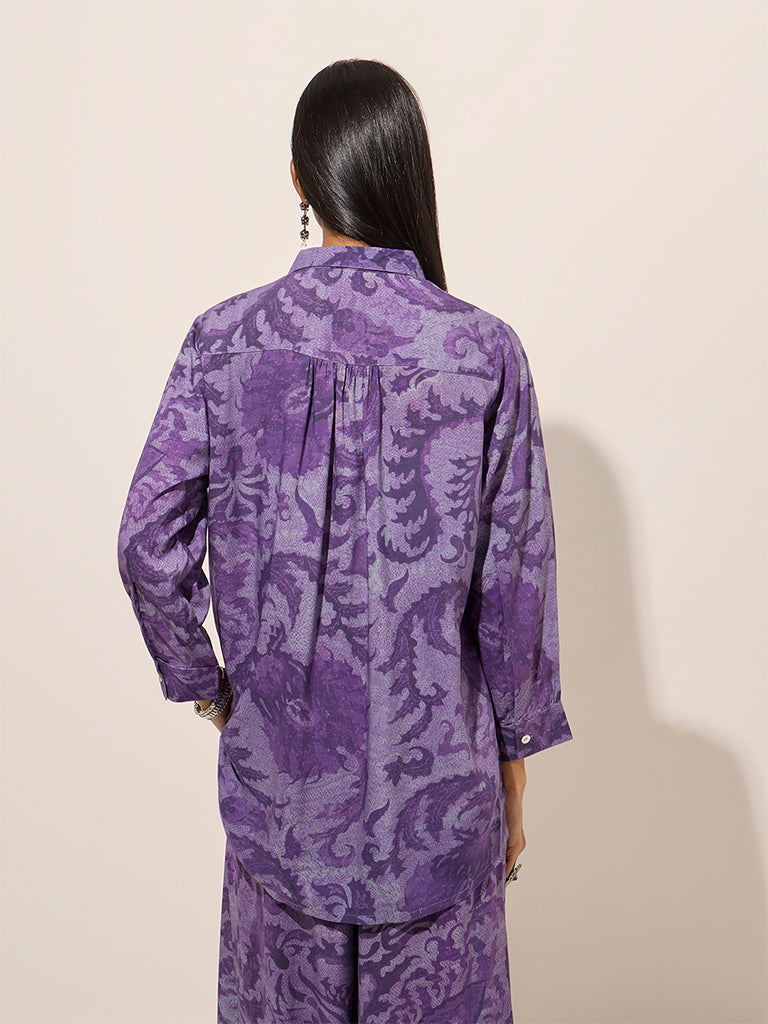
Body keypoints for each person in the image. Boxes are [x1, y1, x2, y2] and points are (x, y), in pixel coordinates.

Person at [117, 57, 573, 1024]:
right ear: (408, 169)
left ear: (299, 177)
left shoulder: (223, 341)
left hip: (280, 814)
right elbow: (516, 588)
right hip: (439, 813)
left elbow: (147, 542)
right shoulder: (482, 352)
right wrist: (514, 770)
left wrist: (213, 693)